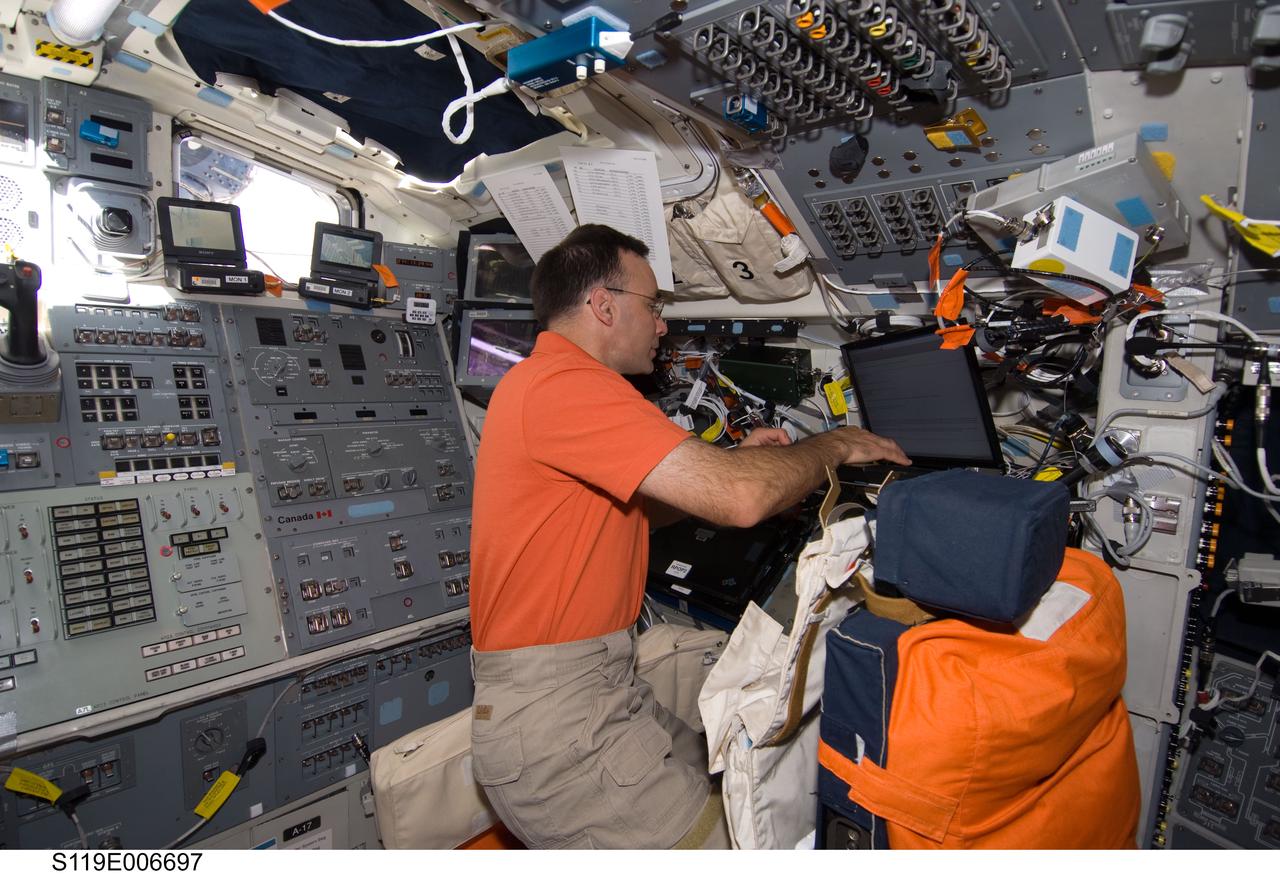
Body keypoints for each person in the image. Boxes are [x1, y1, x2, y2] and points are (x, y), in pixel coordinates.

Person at [468, 224, 910, 849]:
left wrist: (727, 458)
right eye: (653, 307)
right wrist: (838, 445)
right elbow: (742, 498)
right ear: (603, 305)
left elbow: (638, 514)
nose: (661, 326)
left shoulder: (544, 384)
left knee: (734, 799)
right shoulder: (566, 385)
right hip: (562, 714)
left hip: (587, 690)